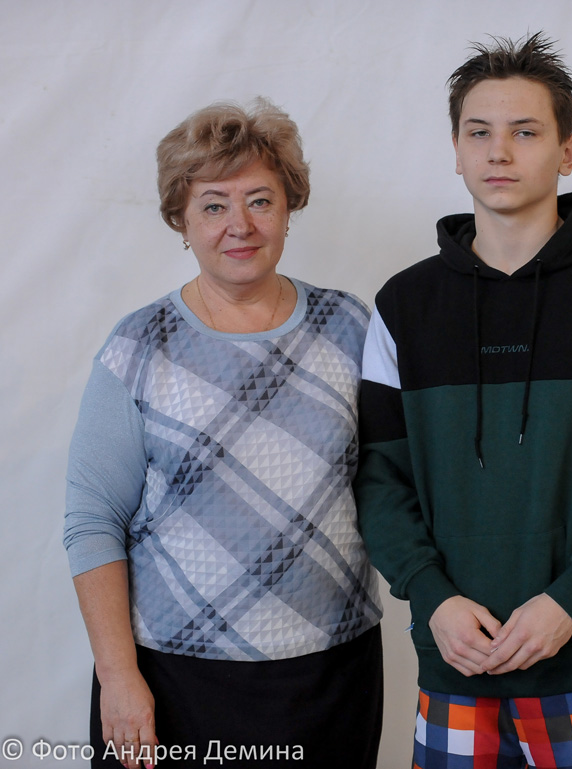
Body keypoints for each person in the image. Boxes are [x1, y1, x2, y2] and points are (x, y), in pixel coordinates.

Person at [355, 33, 572, 769]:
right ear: (455, 150)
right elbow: (379, 479)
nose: (499, 152)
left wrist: (570, 599)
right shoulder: (403, 306)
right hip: (458, 655)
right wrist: (432, 596)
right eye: (479, 132)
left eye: (526, 132)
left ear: (568, 151)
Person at [64, 98, 383, 769]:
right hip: (174, 680)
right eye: (213, 205)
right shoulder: (139, 346)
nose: (240, 225)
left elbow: (392, 483)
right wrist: (118, 677)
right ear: (181, 220)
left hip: (331, 675)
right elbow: (93, 521)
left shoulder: (350, 328)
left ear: (289, 208)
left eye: (260, 200)